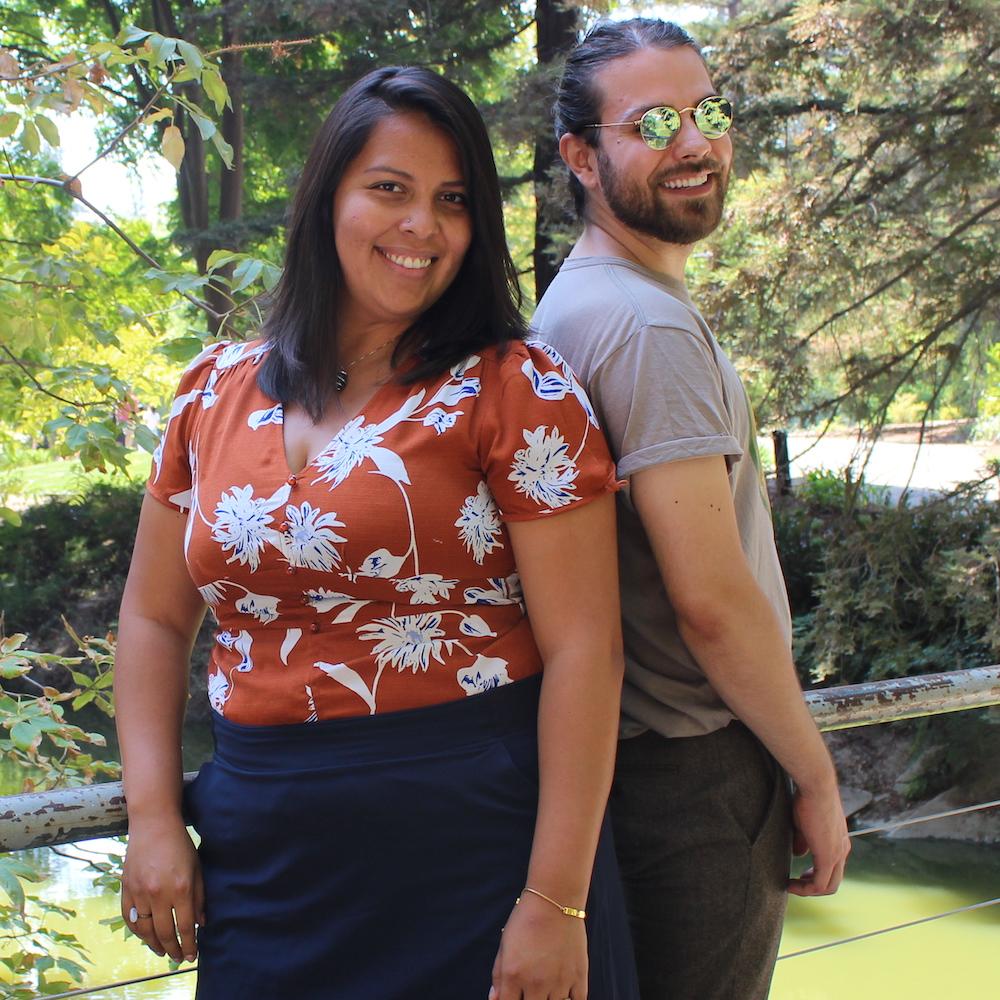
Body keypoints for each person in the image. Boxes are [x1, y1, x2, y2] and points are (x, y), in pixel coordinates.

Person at [114, 66, 639, 1000]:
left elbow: (586, 652)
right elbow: (156, 620)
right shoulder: (211, 392)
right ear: (327, 200)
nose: (422, 228)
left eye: (452, 200)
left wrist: (555, 902)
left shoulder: (520, 390)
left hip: (477, 855)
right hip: (263, 858)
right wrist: (152, 820)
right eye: (389, 189)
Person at [532, 19, 851, 1000]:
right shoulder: (643, 328)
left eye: (708, 112)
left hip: (633, 774)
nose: (695, 142)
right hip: (695, 782)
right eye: (653, 122)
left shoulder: (576, 305)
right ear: (581, 157)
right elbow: (710, 600)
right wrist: (816, 773)